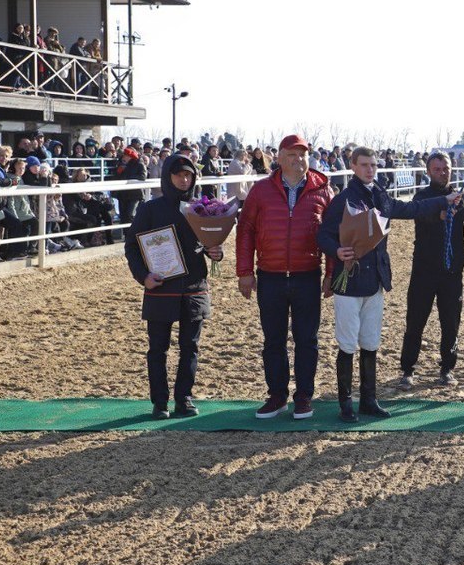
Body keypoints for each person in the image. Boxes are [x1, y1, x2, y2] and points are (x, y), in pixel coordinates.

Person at [317, 147, 459, 421]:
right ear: (354, 167)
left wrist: (444, 201)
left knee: (370, 341)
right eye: (365, 165)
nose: (370, 169)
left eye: (373, 165)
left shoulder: (381, 195)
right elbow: (323, 234)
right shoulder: (343, 200)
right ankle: (346, 403)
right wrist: (336, 251)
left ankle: (368, 400)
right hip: (349, 282)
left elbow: (411, 208)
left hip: (376, 280)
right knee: (347, 344)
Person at [236, 134, 333, 421]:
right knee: (273, 340)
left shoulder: (323, 191)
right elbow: (246, 231)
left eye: (302, 154)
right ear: (278, 158)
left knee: (307, 340)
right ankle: (277, 395)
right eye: (291, 154)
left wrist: (330, 274)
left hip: (307, 275)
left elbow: (333, 235)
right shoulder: (261, 190)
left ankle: (303, 396)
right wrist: (244, 272)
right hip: (270, 276)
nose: (298, 160)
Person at [124, 153, 224, 418]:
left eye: (189, 175)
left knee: (190, 347)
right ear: (168, 177)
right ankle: (159, 403)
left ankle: (184, 399)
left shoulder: (202, 207)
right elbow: (132, 246)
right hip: (160, 289)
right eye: (179, 174)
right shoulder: (149, 209)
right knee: (158, 348)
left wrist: (216, 252)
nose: (184, 179)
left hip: (194, 287)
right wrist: (143, 276)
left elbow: (210, 243)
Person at [396, 151, 464, 389]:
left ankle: (447, 368)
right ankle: (408, 369)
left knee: (450, 322)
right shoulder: (423, 196)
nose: (442, 172)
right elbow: (421, 217)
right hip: (424, 272)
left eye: (446, 168)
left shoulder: (460, 197)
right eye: (437, 169)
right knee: (415, 321)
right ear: (429, 171)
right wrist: (441, 213)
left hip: (452, 272)